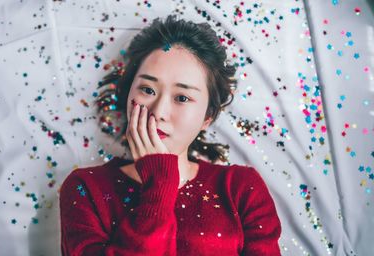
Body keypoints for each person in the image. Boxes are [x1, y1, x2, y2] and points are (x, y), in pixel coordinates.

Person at [59, 15, 281, 255]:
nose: (159, 112)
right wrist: (159, 184)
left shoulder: (241, 188)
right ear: (128, 97)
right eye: (147, 90)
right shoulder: (86, 188)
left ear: (208, 117)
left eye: (182, 98)